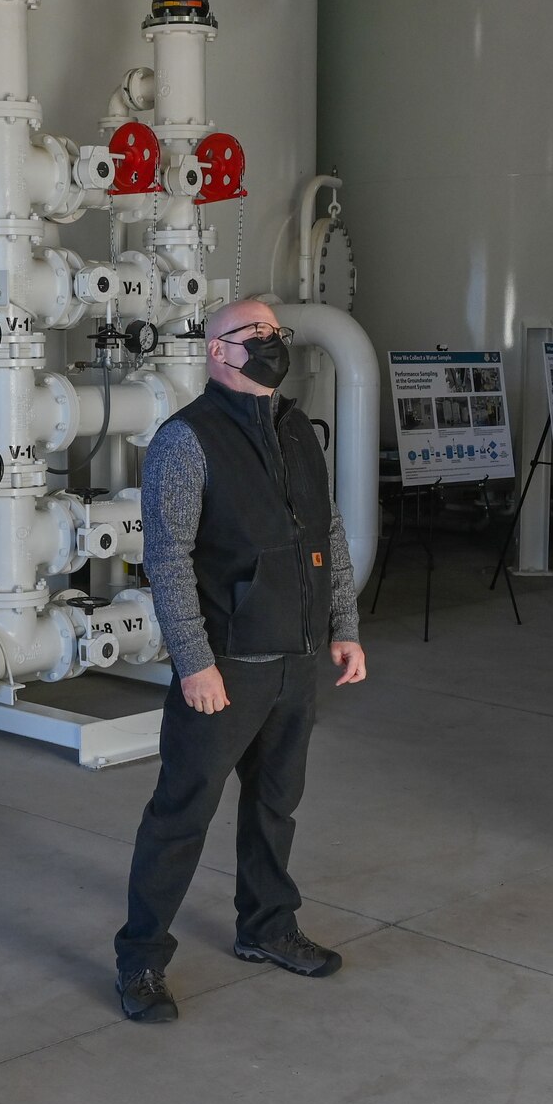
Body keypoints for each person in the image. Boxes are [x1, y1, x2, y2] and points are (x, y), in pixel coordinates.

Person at [114, 298, 366, 1023]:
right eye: (254, 335)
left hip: (297, 659)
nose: (271, 343)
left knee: (276, 805)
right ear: (216, 352)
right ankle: (139, 960)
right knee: (181, 813)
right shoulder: (184, 441)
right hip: (226, 666)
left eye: (276, 333)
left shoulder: (296, 429)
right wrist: (194, 662)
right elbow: (167, 557)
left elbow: (328, 530)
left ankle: (267, 927)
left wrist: (343, 624)